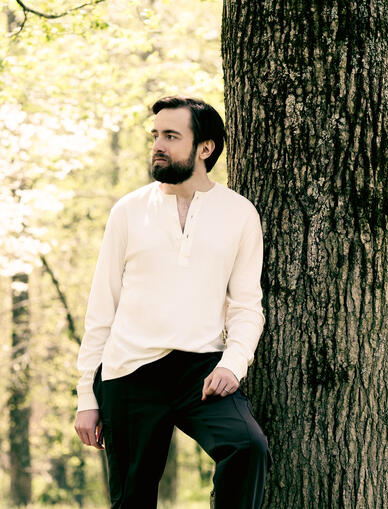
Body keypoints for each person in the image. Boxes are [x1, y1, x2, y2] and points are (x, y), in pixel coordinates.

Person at [74, 96, 271, 509]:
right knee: (132, 499)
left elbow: (247, 306)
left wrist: (233, 364)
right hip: (130, 371)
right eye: (156, 136)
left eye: (171, 136)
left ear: (205, 148)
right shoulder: (128, 211)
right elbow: (102, 307)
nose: (158, 145)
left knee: (247, 447)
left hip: (201, 370)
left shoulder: (239, 214)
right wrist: (86, 398)